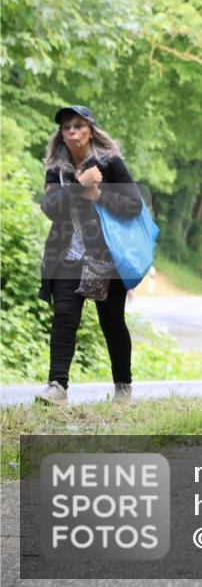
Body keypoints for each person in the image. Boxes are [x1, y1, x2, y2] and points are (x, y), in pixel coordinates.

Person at [37, 105, 143, 405]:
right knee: (64, 318)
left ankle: (123, 385)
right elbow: (49, 208)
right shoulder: (57, 169)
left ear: (90, 130)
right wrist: (78, 186)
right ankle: (58, 386)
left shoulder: (110, 163)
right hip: (66, 255)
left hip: (106, 257)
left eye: (78, 126)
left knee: (111, 322)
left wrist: (99, 195)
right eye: (66, 127)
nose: (72, 132)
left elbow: (134, 205)